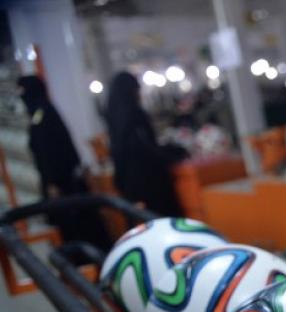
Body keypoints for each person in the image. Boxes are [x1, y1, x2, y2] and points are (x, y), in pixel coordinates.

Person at [17, 76, 111, 251]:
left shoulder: (45, 113)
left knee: (78, 224)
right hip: (62, 183)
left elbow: (52, 151)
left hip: (63, 184)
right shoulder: (40, 113)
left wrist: (53, 181)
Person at [105, 71, 185, 216]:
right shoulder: (134, 115)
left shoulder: (114, 118)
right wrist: (175, 154)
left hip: (131, 186)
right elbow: (147, 149)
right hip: (151, 183)